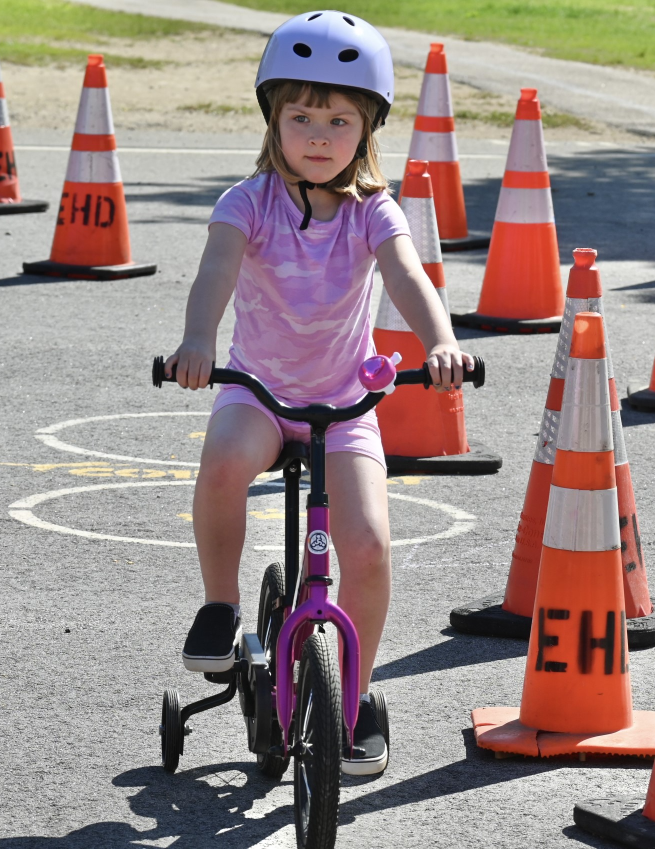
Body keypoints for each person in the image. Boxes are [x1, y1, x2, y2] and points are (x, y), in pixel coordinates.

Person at [165, 10, 472, 777]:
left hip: (344, 403)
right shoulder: (250, 202)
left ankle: (354, 692)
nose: (318, 135)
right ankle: (221, 604)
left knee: (366, 544)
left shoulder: (373, 211)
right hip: (260, 392)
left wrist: (438, 341)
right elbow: (216, 273)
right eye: (300, 116)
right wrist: (199, 340)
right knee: (223, 465)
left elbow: (408, 275)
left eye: (339, 119)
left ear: (367, 129)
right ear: (273, 119)